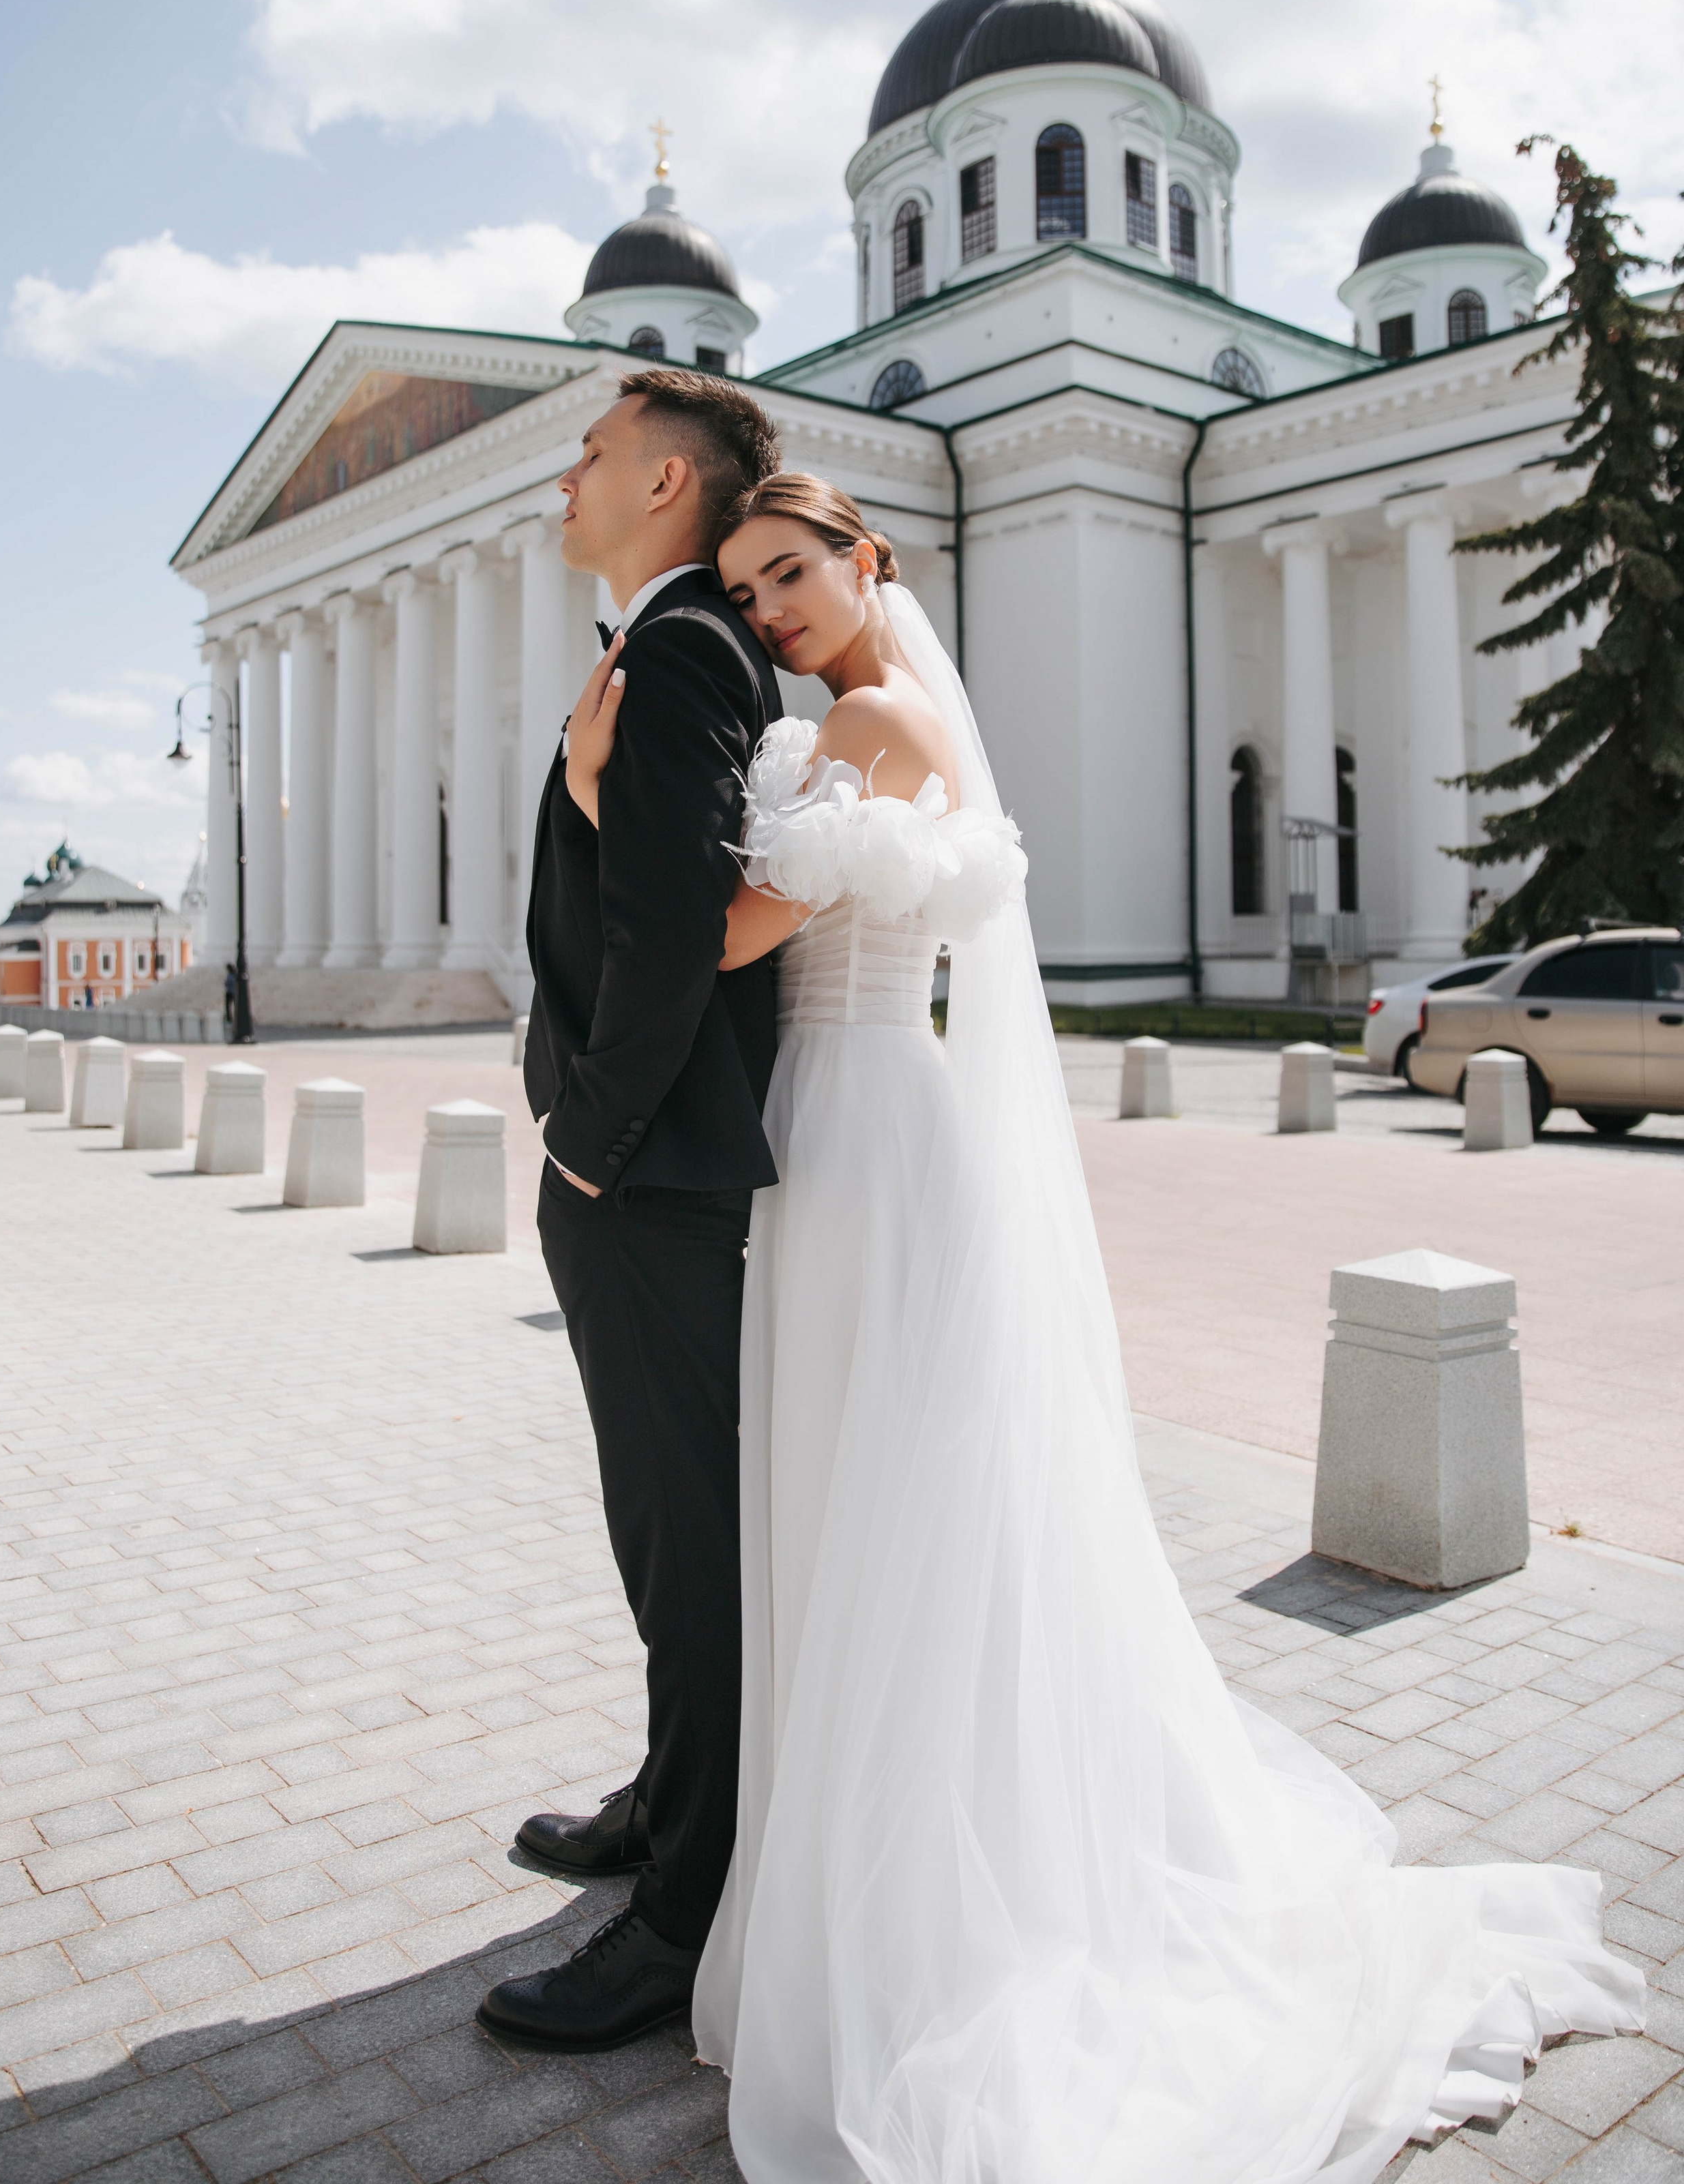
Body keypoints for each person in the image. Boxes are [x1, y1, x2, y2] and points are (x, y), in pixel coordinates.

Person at [566, 470, 1645, 2184]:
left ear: (870, 561)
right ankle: (830, 1855)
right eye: (750, 585)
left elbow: (725, 934)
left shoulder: (880, 729)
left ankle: (908, 1894)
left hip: (860, 1135)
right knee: (851, 1506)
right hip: (833, 1132)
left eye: (793, 573)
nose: (768, 608)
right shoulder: (855, 716)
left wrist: (595, 787)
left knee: (871, 1509)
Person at [477, 366, 782, 2056]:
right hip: (645, 1168)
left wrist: (588, 1141)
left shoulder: (676, 649)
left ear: (667, 485)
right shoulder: (662, 644)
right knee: (667, 1535)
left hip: (648, 1177)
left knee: (687, 1544)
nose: (566, 475)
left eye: (589, 454)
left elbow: (675, 931)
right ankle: (672, 1804)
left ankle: (684, 1914)